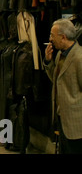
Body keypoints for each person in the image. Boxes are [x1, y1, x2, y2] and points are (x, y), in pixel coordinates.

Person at [44, 18, 82, 154]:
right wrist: (48, 62)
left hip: (76, 124)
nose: (50, 39)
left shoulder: (79, 58)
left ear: (63, 37)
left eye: (52, 36)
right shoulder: (60, 54)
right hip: (61, 119)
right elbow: (57, 81)